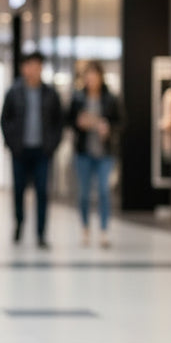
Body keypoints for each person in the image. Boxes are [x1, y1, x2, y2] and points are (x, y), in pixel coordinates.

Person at [0, 51, 64, 249]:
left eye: (37, 66)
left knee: (42, 192)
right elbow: (5, 119)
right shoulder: (14, 92)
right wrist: (11, 143)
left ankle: (41, 233)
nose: (33, 70)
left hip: (42, 152)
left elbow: (58, 122)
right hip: (20, 151)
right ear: (23, 68)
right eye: (30, 66)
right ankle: (19, 224)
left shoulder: (50, 93)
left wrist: (52, 145)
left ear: (42, 69)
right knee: (19, 190)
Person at [68, 60, 121, 248]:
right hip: (83, 152)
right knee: (83, 193)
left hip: (104, 153)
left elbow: (120, 123)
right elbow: (68, 121)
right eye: (88, 76)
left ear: (100, 77)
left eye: (94, 75)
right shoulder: (78, 98)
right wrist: (78, 123)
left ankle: (104, 231)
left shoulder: (110, 98)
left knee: (104, 191)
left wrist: (108, 128)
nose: (91, 79)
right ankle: (85, 228)